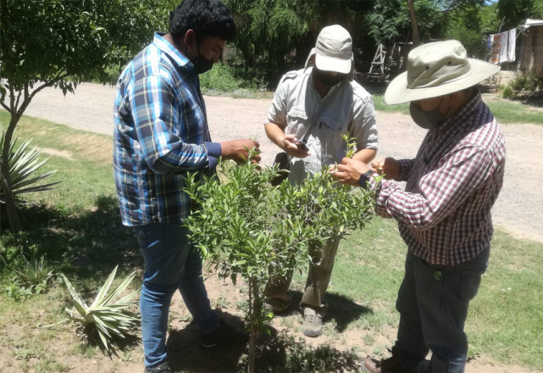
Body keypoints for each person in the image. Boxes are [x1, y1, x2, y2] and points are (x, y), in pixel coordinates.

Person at [333, 40, 505, 373]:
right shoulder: (451, 119)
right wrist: (403, 169)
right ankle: (403, 363)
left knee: (445, 343)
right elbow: (437, 172)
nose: (414, 102)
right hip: (427, 251)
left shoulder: (475, 145)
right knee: (411, 313)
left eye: (420, 94)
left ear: (451, 93)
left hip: (449, 262)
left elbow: (424, 212)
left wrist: (367, 180)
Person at [113, 1, 259, 372]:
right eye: (215, 49)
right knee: (160, 284)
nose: (219, 57)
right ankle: (156, 365)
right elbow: (161, 155)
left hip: (182, 199)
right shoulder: (153, 73)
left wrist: (220, 154)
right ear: (190, 39)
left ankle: (208, 328)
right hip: (159, 205)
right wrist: (221, 150)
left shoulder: (182, 66)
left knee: (190, 267)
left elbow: (184, 134)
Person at [264, 25, 379, 338]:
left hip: (331, 192)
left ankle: (313, 306)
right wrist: (283, 142)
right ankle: (275, 295)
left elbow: (369, 145)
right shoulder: (291, 83)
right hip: (291, 182)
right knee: (281, 244)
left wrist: (350, 167)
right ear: (314, 57)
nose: (332, 75)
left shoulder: (359, 99)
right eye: (327, 68)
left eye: (339, 70)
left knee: (323, 251)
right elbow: (272, 123)